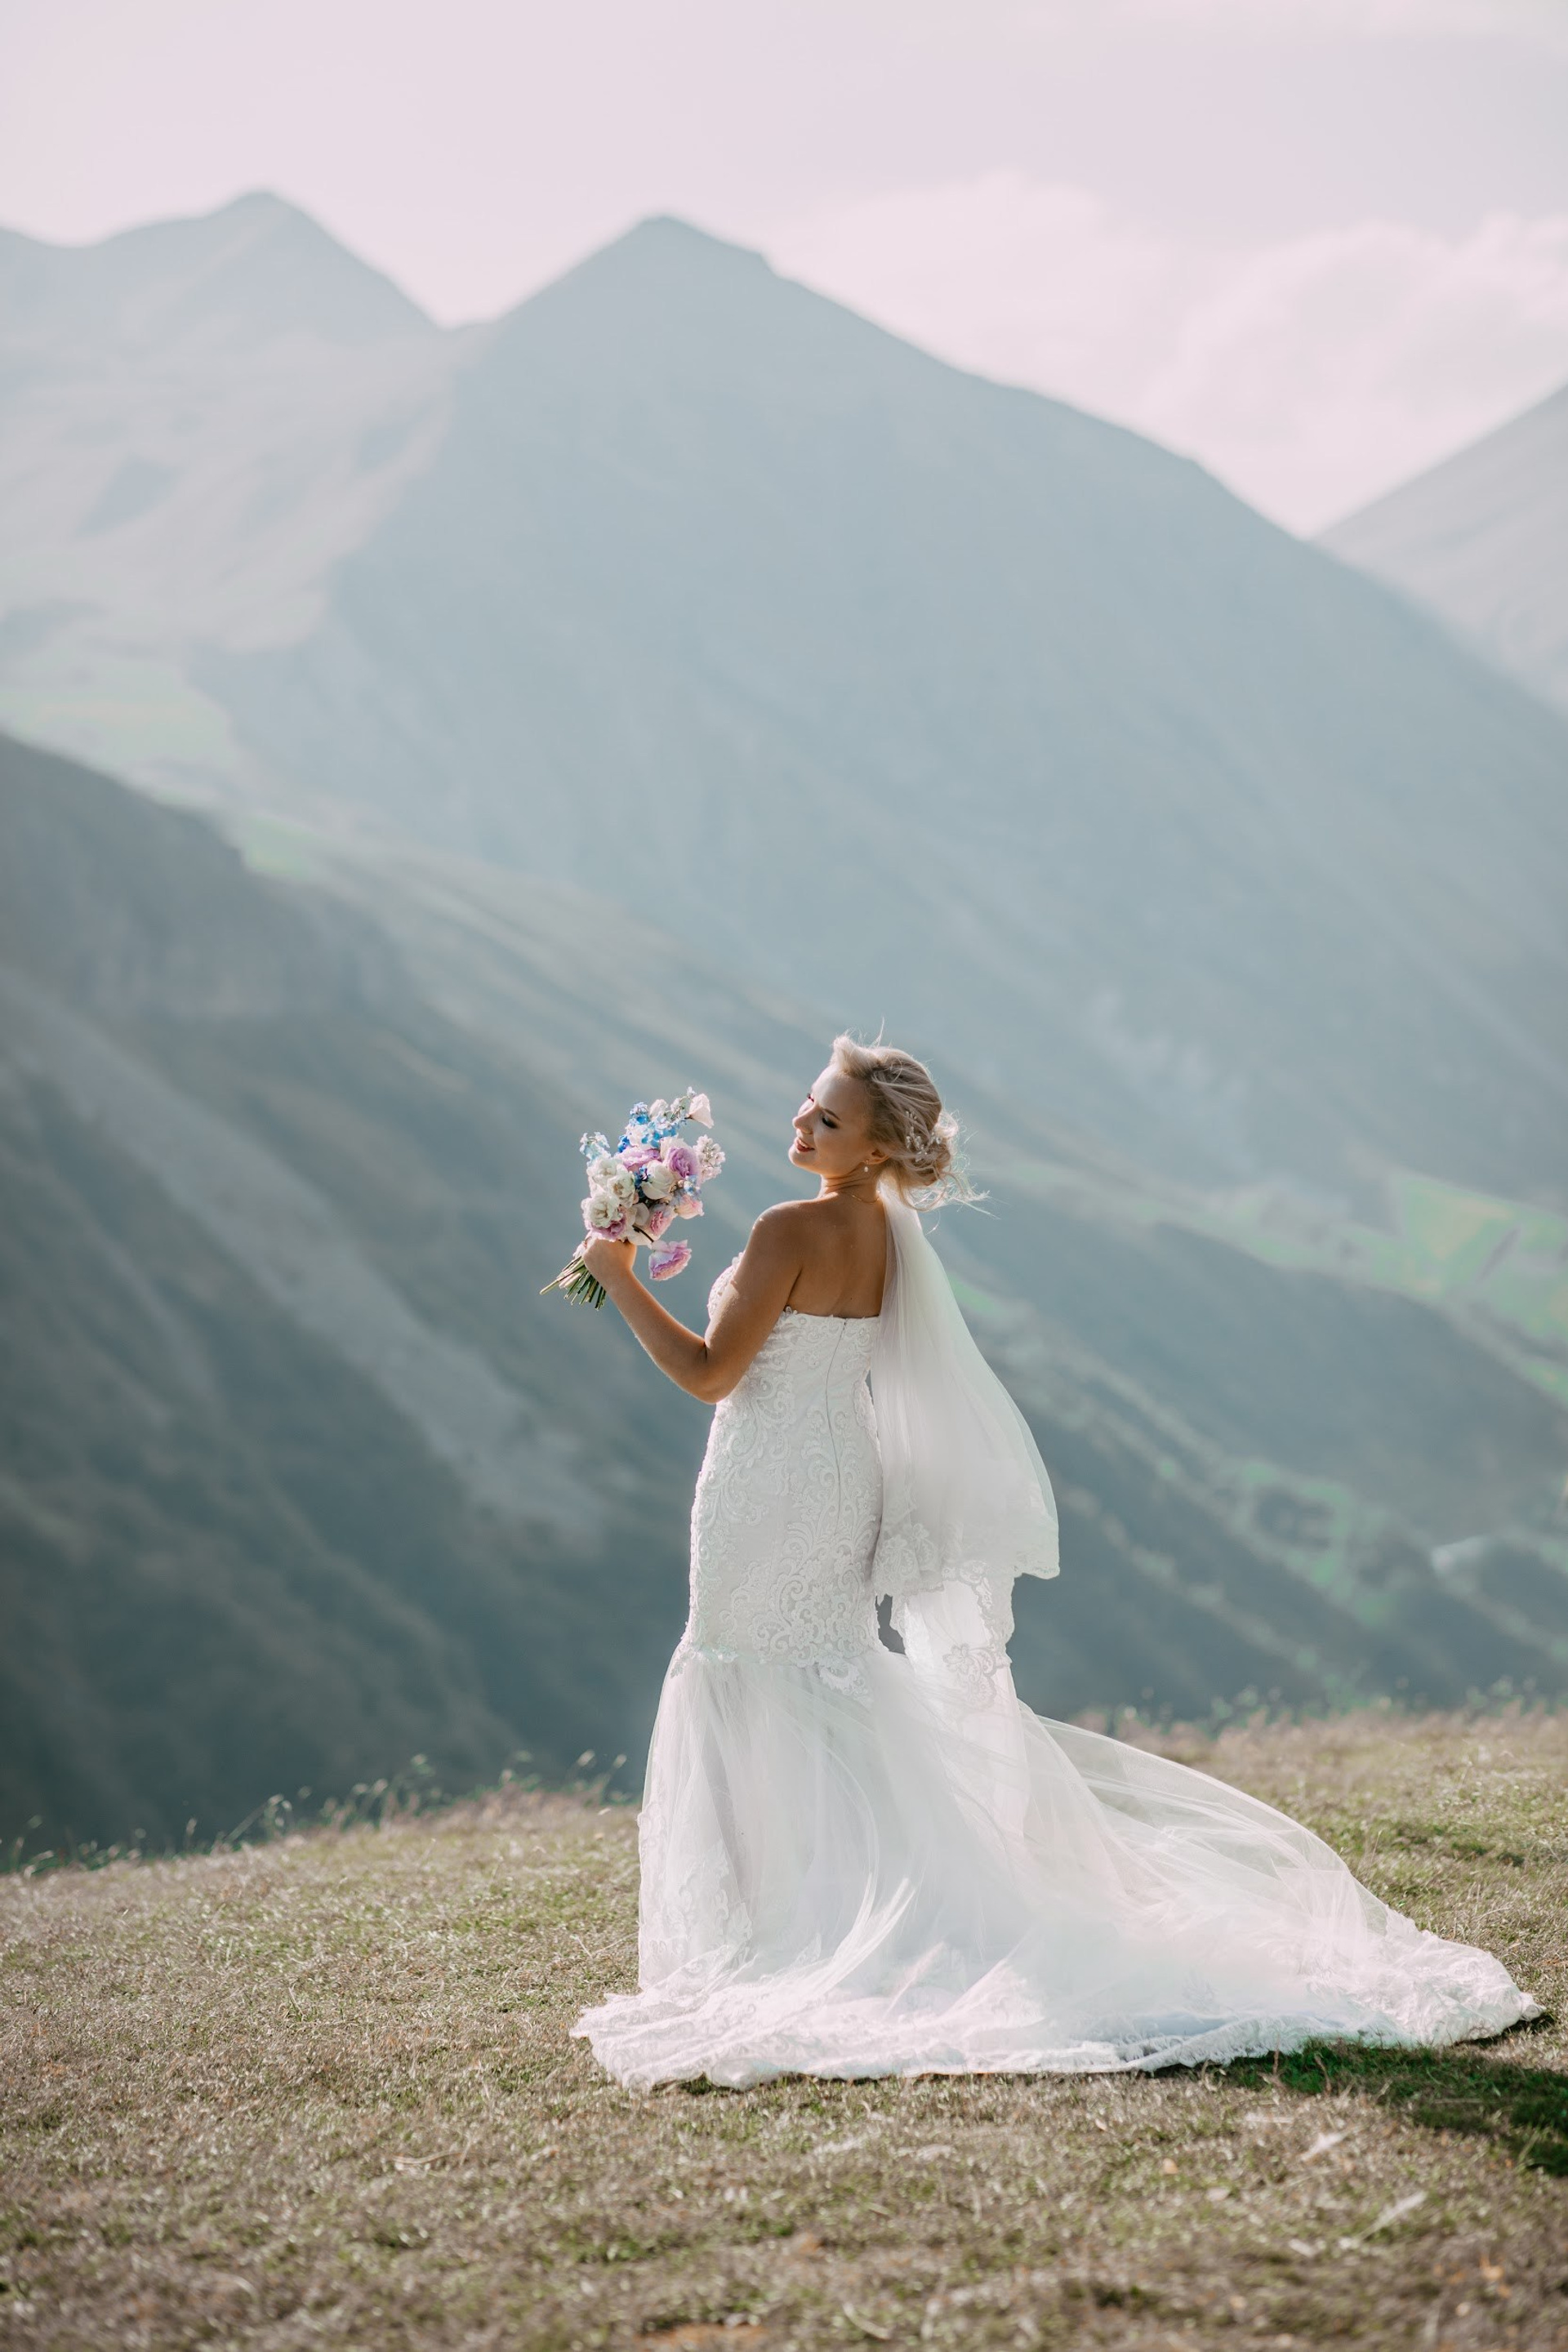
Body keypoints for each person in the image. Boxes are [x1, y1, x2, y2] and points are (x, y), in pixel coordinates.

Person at [572, 1036, 1538, 2089]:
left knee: (746, 1672)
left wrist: (618, 1273)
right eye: (808, 1106)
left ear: (882, 1145)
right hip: (837, 1479)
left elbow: (712, 1376)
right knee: (820, 1681)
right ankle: (815, 1917)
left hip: (765, 1487)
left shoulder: (787, 1226)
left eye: (829, 1120)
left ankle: (775, 1932)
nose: (802, 1126)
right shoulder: (887, 1237)